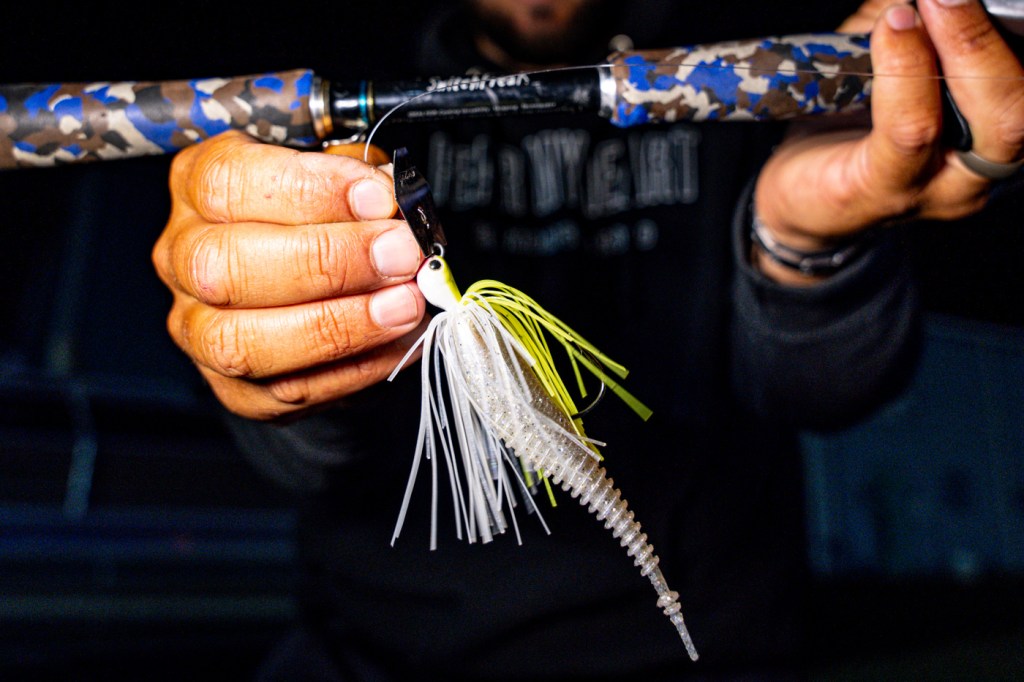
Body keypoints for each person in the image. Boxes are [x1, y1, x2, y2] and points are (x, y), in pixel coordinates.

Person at [150, 0, 1024, 679]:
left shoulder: (732, 78)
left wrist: (808, 244)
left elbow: (826, 386)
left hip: (717, 656)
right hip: (367, 656)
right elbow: (296, 458)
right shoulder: (341, 79)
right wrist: (282, 355)